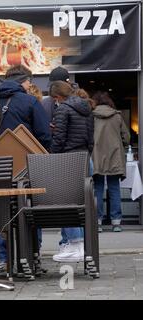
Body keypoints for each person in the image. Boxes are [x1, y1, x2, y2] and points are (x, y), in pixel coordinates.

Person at [0, 65, 51, 262]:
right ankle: (31, 255)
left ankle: (4, 259)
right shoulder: (29, 101)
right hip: (26, 166)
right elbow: (45, 135)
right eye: (30, 81)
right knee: (29, 207)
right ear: (23, 80)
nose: (31, 85)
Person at [50, 80, 94, 262]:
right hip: (85, 157)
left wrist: (54, 153)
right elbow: (91, 136)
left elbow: (60, 138)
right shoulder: (87, 108)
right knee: (84, 204)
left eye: (54, 99)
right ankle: (84, 245)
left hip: (68, 159)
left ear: (58, 96)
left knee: (66, 203)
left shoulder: (63, 109)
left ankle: (75, 244)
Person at [91, 91, 130, 233]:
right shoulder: (117, 116)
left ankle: (98, 222)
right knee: (114, 189)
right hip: (114, 156)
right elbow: (126, 137)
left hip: (97, 156)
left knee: (97, 189)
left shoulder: (92, 116)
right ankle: (116, 222)